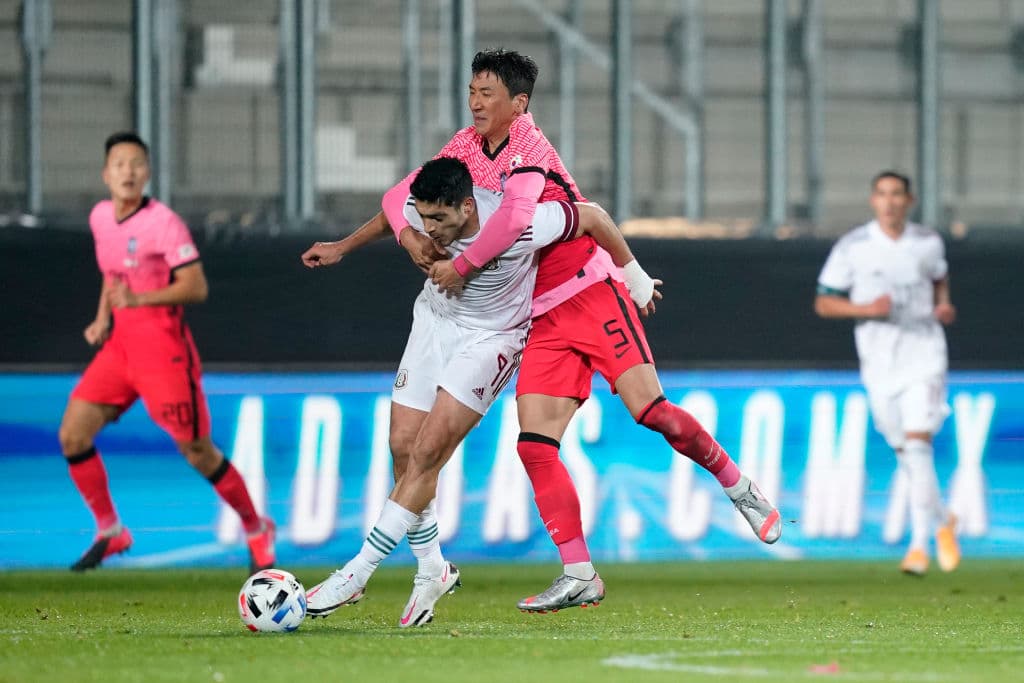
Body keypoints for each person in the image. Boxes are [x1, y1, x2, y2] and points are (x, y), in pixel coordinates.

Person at [379, 49, 782, 612]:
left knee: (651, 412)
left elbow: (579, 215)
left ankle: (739, 487)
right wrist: (402, 235)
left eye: (487, 93)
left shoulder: (528, 148)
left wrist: (632, 275)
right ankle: (579, 574)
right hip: (537, 314)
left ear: (518, 103)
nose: (475, 101)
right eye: (471, 91)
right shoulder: (467, 147)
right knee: (535, 446)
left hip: (588, 291)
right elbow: (404, 194)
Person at [299, 156, 658, 626]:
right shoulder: (424, 216)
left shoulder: (518, 222)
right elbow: (393, 213)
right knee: (403, 448)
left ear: (467, 207)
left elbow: (591, 216)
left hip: (491, 340)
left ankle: (356, 572)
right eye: (423, 218)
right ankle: (433, 569)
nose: (429, 229)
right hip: (434, 322)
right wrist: (345, 246)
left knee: (428, 452)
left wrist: (633, 275)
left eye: (438, 219)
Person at [58, 131, 275, 572]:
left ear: (148, 173)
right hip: (120, 348)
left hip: (163, 351)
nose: (128, 172)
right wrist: (103, 318)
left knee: (197, 451)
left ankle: (256, 528)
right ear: (106, 174)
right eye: (119, 164)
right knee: (72, 435)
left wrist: (138, 299)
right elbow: (113, 274)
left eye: (136, 164)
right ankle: (111, 531)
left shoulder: (163, 223)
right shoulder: (101, 218)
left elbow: (196, 286)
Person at [815, 171, 960, 576]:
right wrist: (865, 310)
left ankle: (918, 547)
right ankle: (944, 518)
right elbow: (824, 303)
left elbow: (939, 277)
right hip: (879, 362)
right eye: (883, 194)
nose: (890, 201)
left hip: (924, 354)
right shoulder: (854, 247)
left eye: (897, 194)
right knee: (905, 452)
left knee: (917, 443)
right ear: (873, 200)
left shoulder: (928, 242)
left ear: (909, 200)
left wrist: (943, 305)